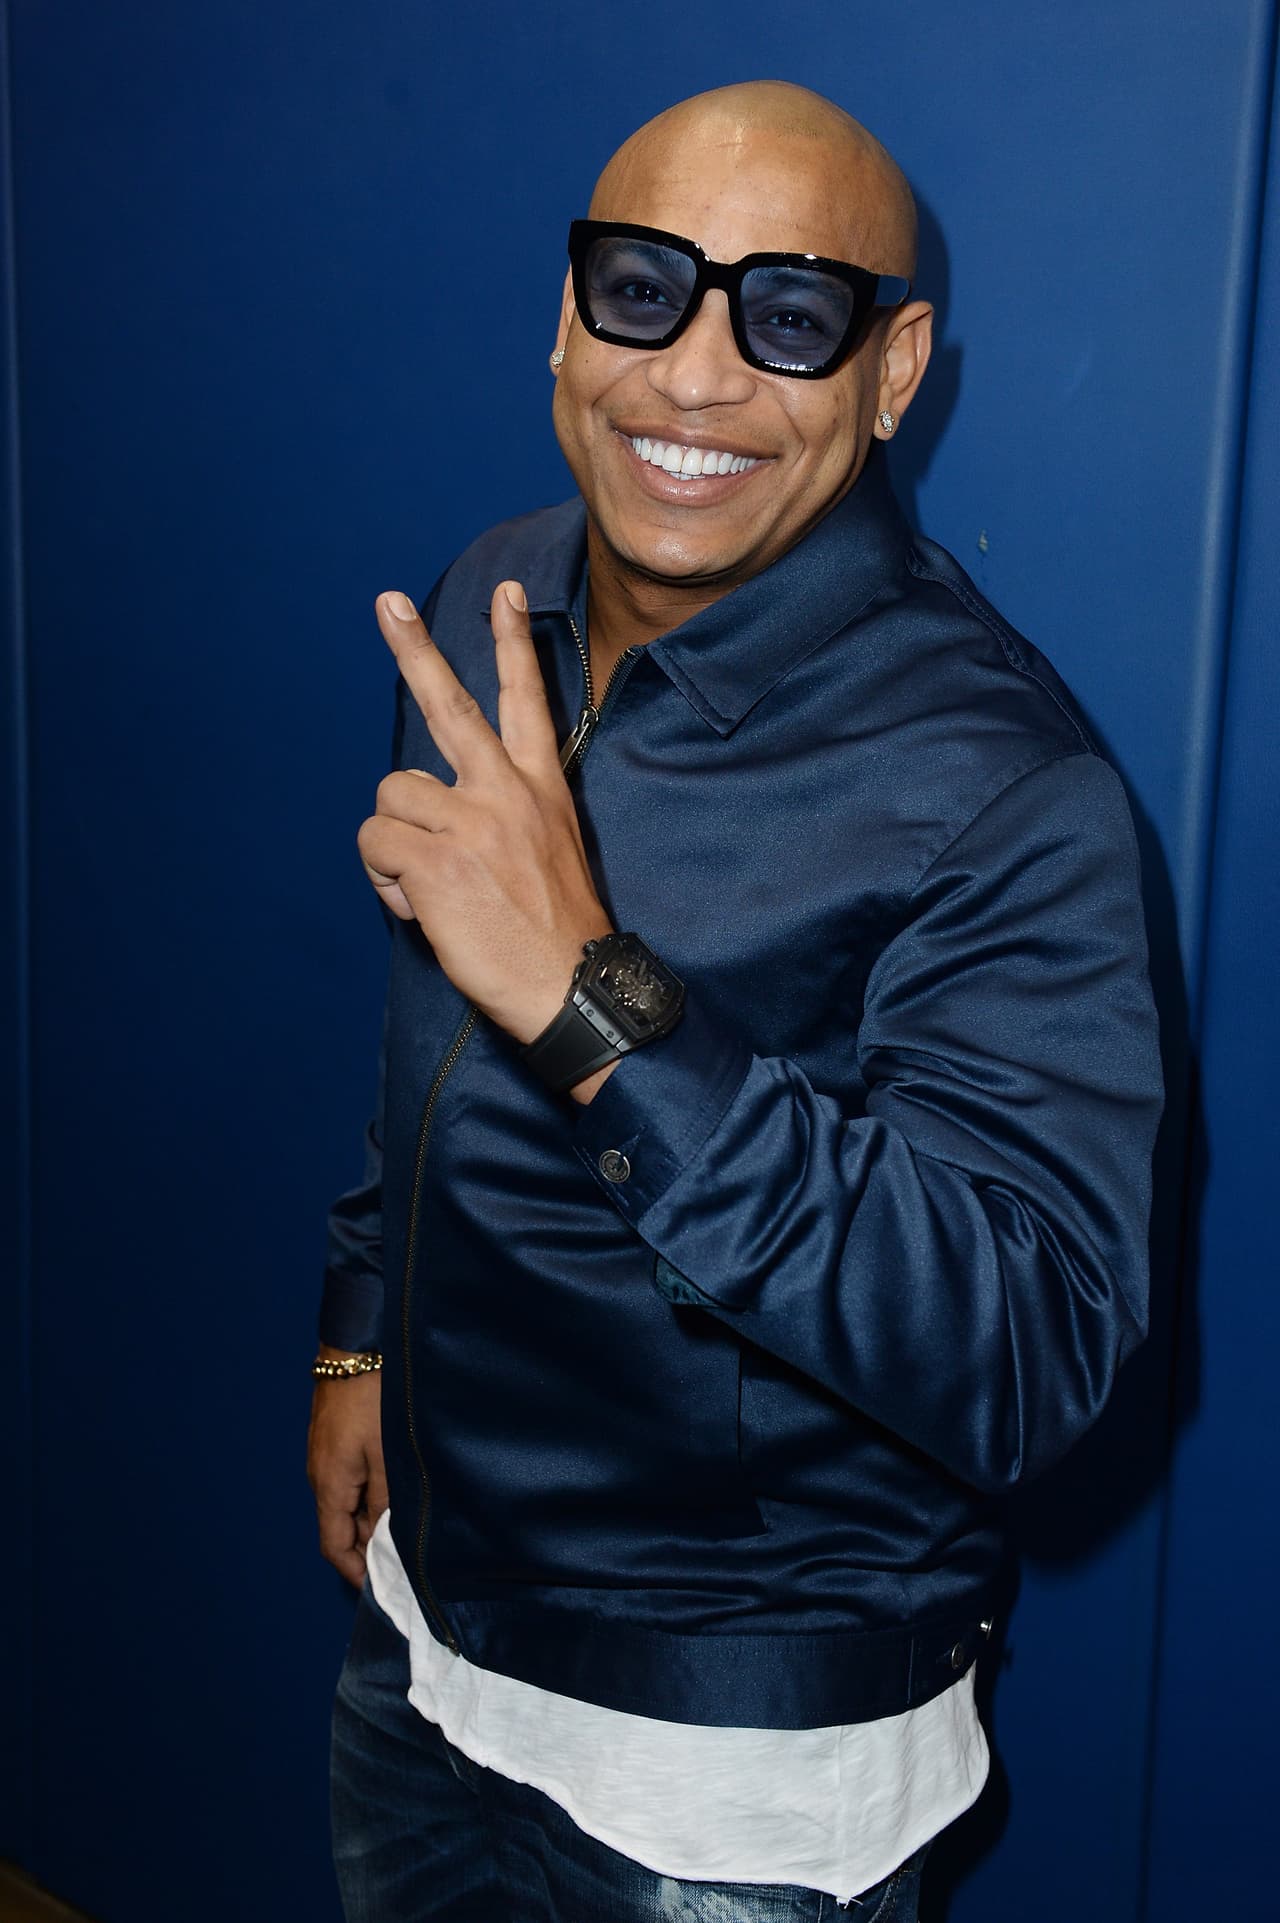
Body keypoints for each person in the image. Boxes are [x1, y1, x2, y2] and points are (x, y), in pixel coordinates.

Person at [307, 80, 1163, 1922]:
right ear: (564, 314)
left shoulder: (1003, 785)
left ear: (893, 365)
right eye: (643, 288)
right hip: (425, 1636)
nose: (692, 379)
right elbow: (428, 1038)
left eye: (788, 314)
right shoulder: (490, 605)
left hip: (729, 1788)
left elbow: (1029, 1352)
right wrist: (362, 1325)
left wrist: (600, 1003)